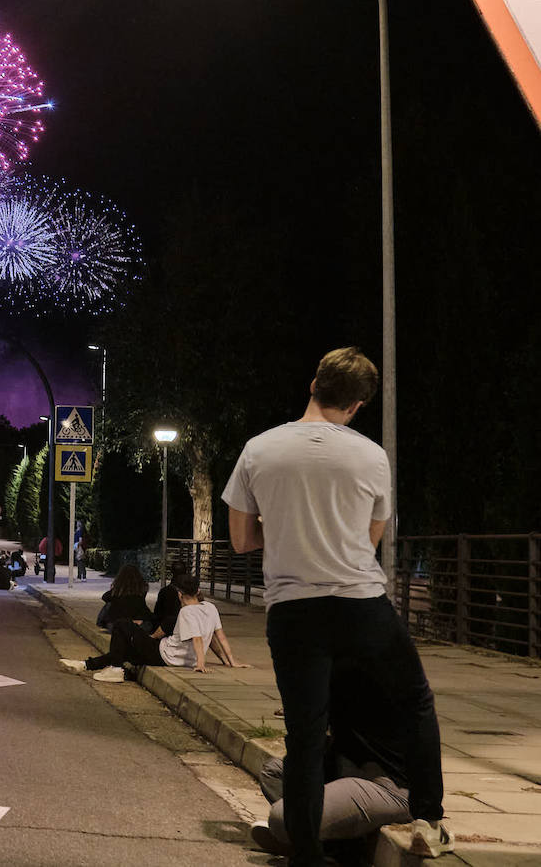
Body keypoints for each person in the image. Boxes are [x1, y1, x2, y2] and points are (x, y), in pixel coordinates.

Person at [222, 347, 449, 862]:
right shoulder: (371, 456)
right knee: (415, 700)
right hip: (360, 603)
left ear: (313, 384)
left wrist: (284, 528)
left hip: (293, 609)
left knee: (304, 732)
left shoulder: (259, 449)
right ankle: (429, 818)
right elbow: (369, 541)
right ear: (359, 404)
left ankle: (305, 852)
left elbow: (238, 539)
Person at [249, 659, 413, 860]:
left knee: (280, 818)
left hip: (386, 787)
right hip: (349, 772)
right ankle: (325, 842)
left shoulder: (368, 684)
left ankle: (319, 844)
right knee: (273, 771)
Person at [84, 574, 246, 681]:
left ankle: (116, 669)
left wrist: (201, 664)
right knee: (125, 651)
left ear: (179, 594)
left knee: (122, 625)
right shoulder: (210, 608)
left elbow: (197, 638)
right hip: (179, 658)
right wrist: (230, 661)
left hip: (164, 655)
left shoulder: (186, 612)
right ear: (198, 591)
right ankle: (89, 665)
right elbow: (219, 637)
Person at [96, 563, 152, 630]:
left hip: (118, 622)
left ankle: (102, 622)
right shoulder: (141, 590)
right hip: (136, 620)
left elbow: (105, 597)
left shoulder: (118, 591)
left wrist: (114, 590)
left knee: (109, 604)